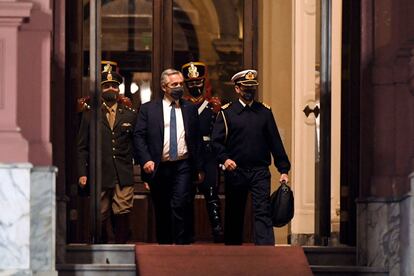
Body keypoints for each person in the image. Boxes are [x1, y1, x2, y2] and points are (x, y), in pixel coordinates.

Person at [211, 69, 291, 245]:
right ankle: (233, 253)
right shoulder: (227, 113)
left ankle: (265, 253)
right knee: (234, 212)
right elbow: (216, 143)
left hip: (259, 171)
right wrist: (225, 159)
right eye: (246, 88)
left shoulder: (264, 112)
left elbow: (275, 143)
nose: (249, 91)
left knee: (263, 212)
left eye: (252, 88)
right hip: (235, 171)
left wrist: (283, 169)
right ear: (237, 89)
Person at [133, 68, 204, 244]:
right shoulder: (149, 109)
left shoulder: (190, 109)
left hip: (183, 165)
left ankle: (181, 247)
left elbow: (196, 139)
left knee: (180, 204)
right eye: (174, 84)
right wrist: (146, 160)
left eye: (181, 84)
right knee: (162, 208)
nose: (179, 87)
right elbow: (138, 136)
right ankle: (164, 246)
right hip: (159, 166)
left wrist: (200, 168)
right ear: (165, 87)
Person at [77, 61, 137, 243]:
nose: (111, 89)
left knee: (123, 209)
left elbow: (136, 143)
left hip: (123, 171)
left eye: (114, 86)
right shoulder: (90, 115)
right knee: (100, 211)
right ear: (100, 89)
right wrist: (82, 173)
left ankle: (121, 246)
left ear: (119, 89)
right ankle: (100, 246)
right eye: (106, 86)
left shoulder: (130, 114)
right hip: (100, 172)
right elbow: (82, 147)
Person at [181, 61, 224, 242]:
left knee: (212, 195)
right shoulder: (181, 106)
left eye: (198, 82)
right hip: (189, 155)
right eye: (191, 83)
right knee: (186, 196)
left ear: (204, 82)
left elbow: (218, 134)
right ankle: (188, 234)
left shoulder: (212, 106)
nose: (195, 86)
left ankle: (217, 231)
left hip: (208, 155)